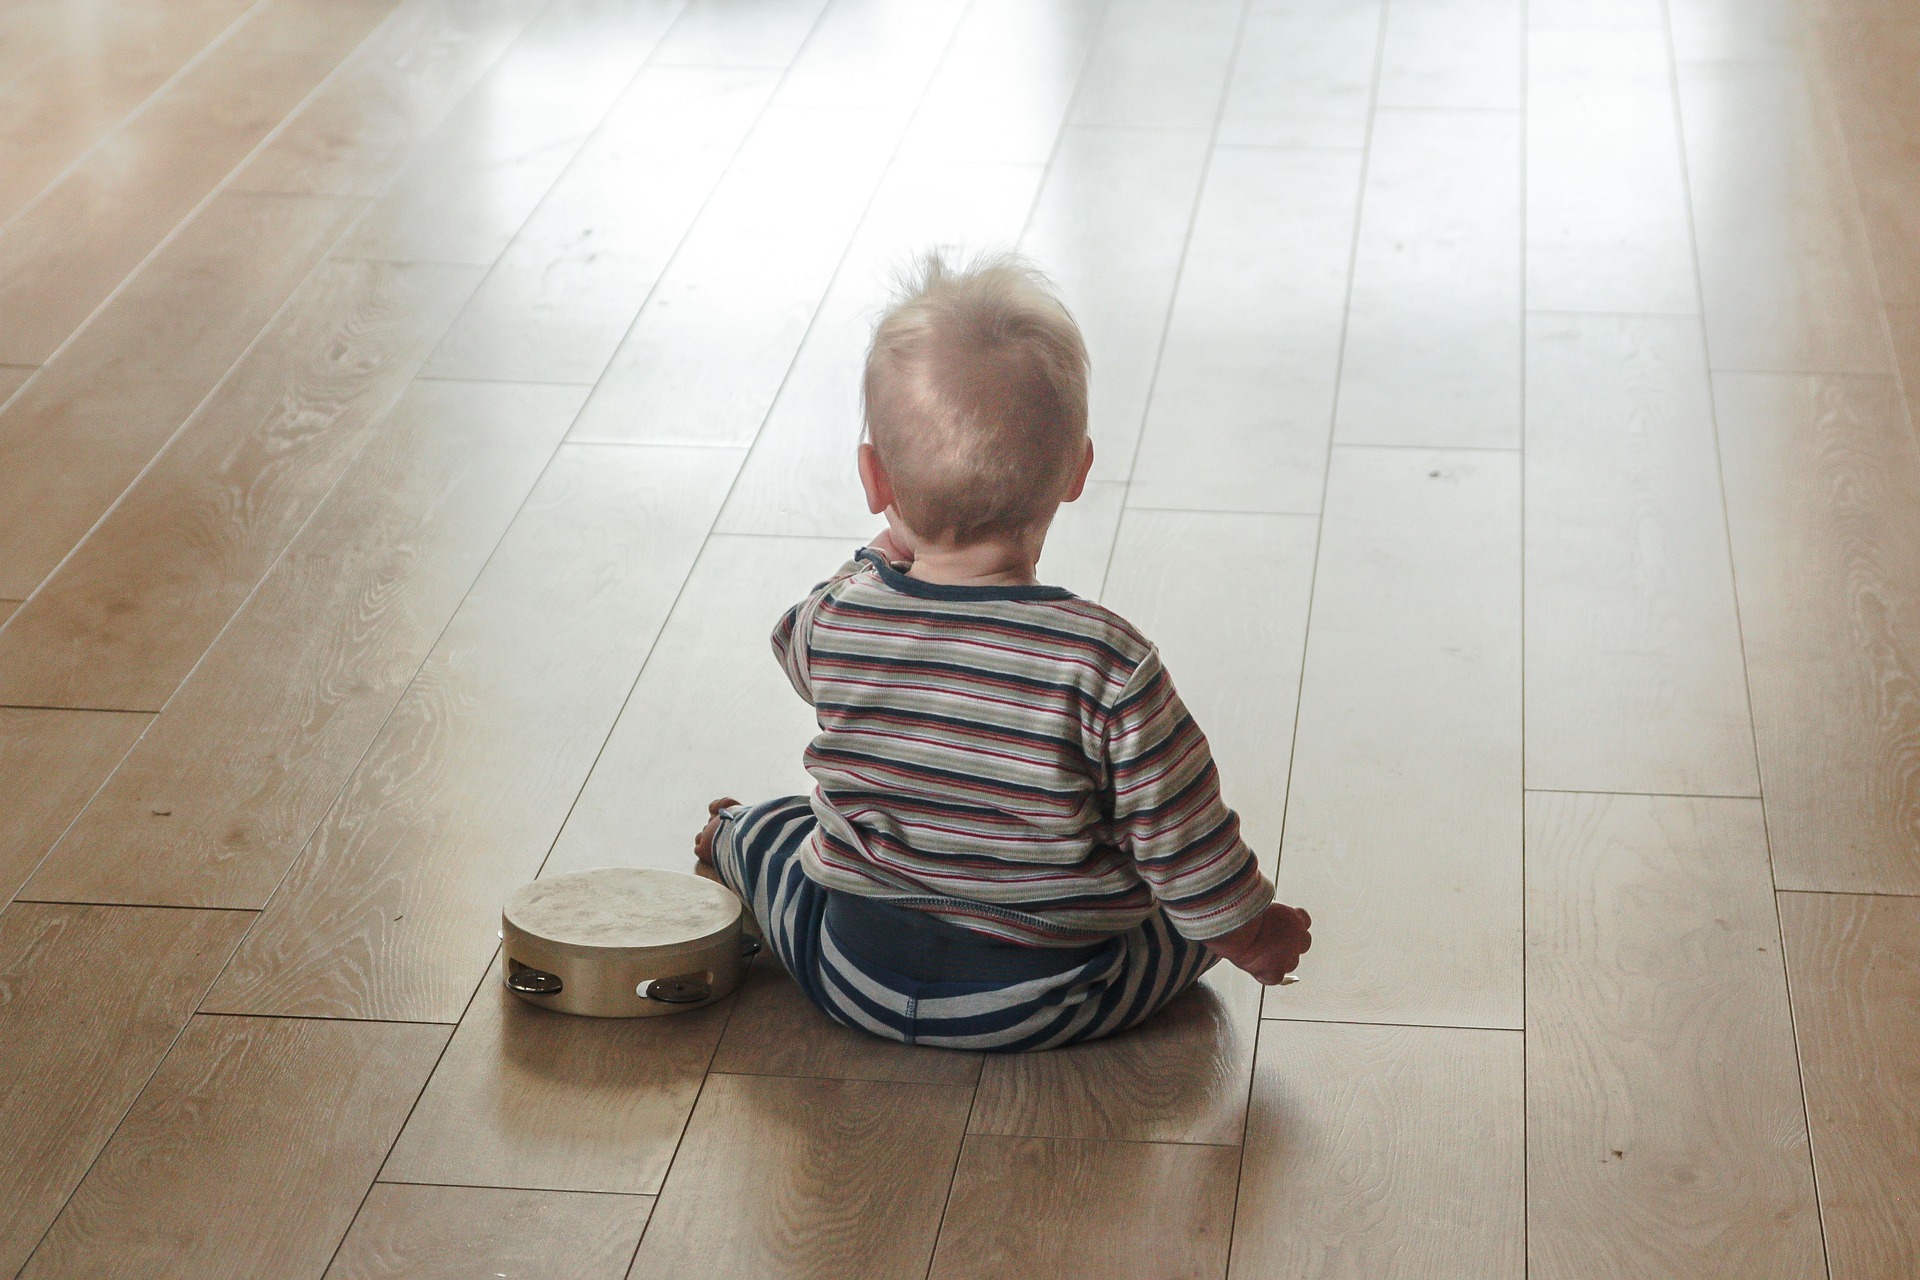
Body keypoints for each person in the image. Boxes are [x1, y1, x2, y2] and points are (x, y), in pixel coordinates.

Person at [695, 251, 1311, 1052]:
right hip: (1041, 995)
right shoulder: (1106, 666)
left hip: (853, 974)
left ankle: (730, 838)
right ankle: (1203, 934)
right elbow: (1183, 834)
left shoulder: (840, 615)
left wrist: (875, 562)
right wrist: (1247, 930)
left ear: (874, 479)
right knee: (1177, 916)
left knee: (791, 836)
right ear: (1077, 471)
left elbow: (793, 648)